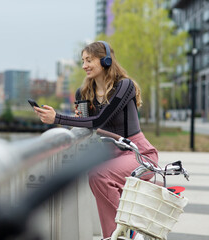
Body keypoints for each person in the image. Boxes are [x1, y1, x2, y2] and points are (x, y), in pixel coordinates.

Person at [33, 41, 158, 239]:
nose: (84, 65)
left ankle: (128, 233)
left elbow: (99, 120)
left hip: (139, 154)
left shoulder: (124, 86)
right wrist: (79, 118)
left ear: (106, 60)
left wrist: (57, 118)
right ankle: (113, 236)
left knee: (99, 176)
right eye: (83, 61)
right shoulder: (84, 93)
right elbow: (87, 123)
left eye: (89, 60)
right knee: (98, 179)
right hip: (111, 154)